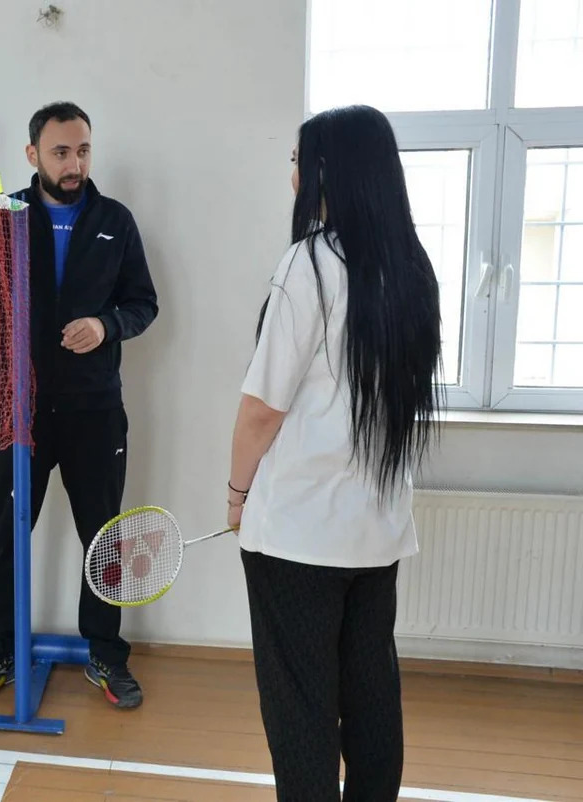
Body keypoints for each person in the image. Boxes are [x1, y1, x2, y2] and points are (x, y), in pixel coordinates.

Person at [226, 105, 441, 800]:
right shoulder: (413, 267)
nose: (291, 174)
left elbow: (261, 410)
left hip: (296, 539)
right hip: (376, 535)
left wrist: (236, 496)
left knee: (302, 711)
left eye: (298, 160)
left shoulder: (310, 263)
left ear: (327, 171)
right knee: (371, 692)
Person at [0, 101, 158, 709]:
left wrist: (106, 324)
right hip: (17, 411)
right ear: (33, 154)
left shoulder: (117, 220)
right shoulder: (5, 216)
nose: (75, 163)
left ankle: (106, 656)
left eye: (83, 150)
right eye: (62, 152)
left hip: (95, 412)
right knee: (8, 535)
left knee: (104, 538)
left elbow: (144, 304)